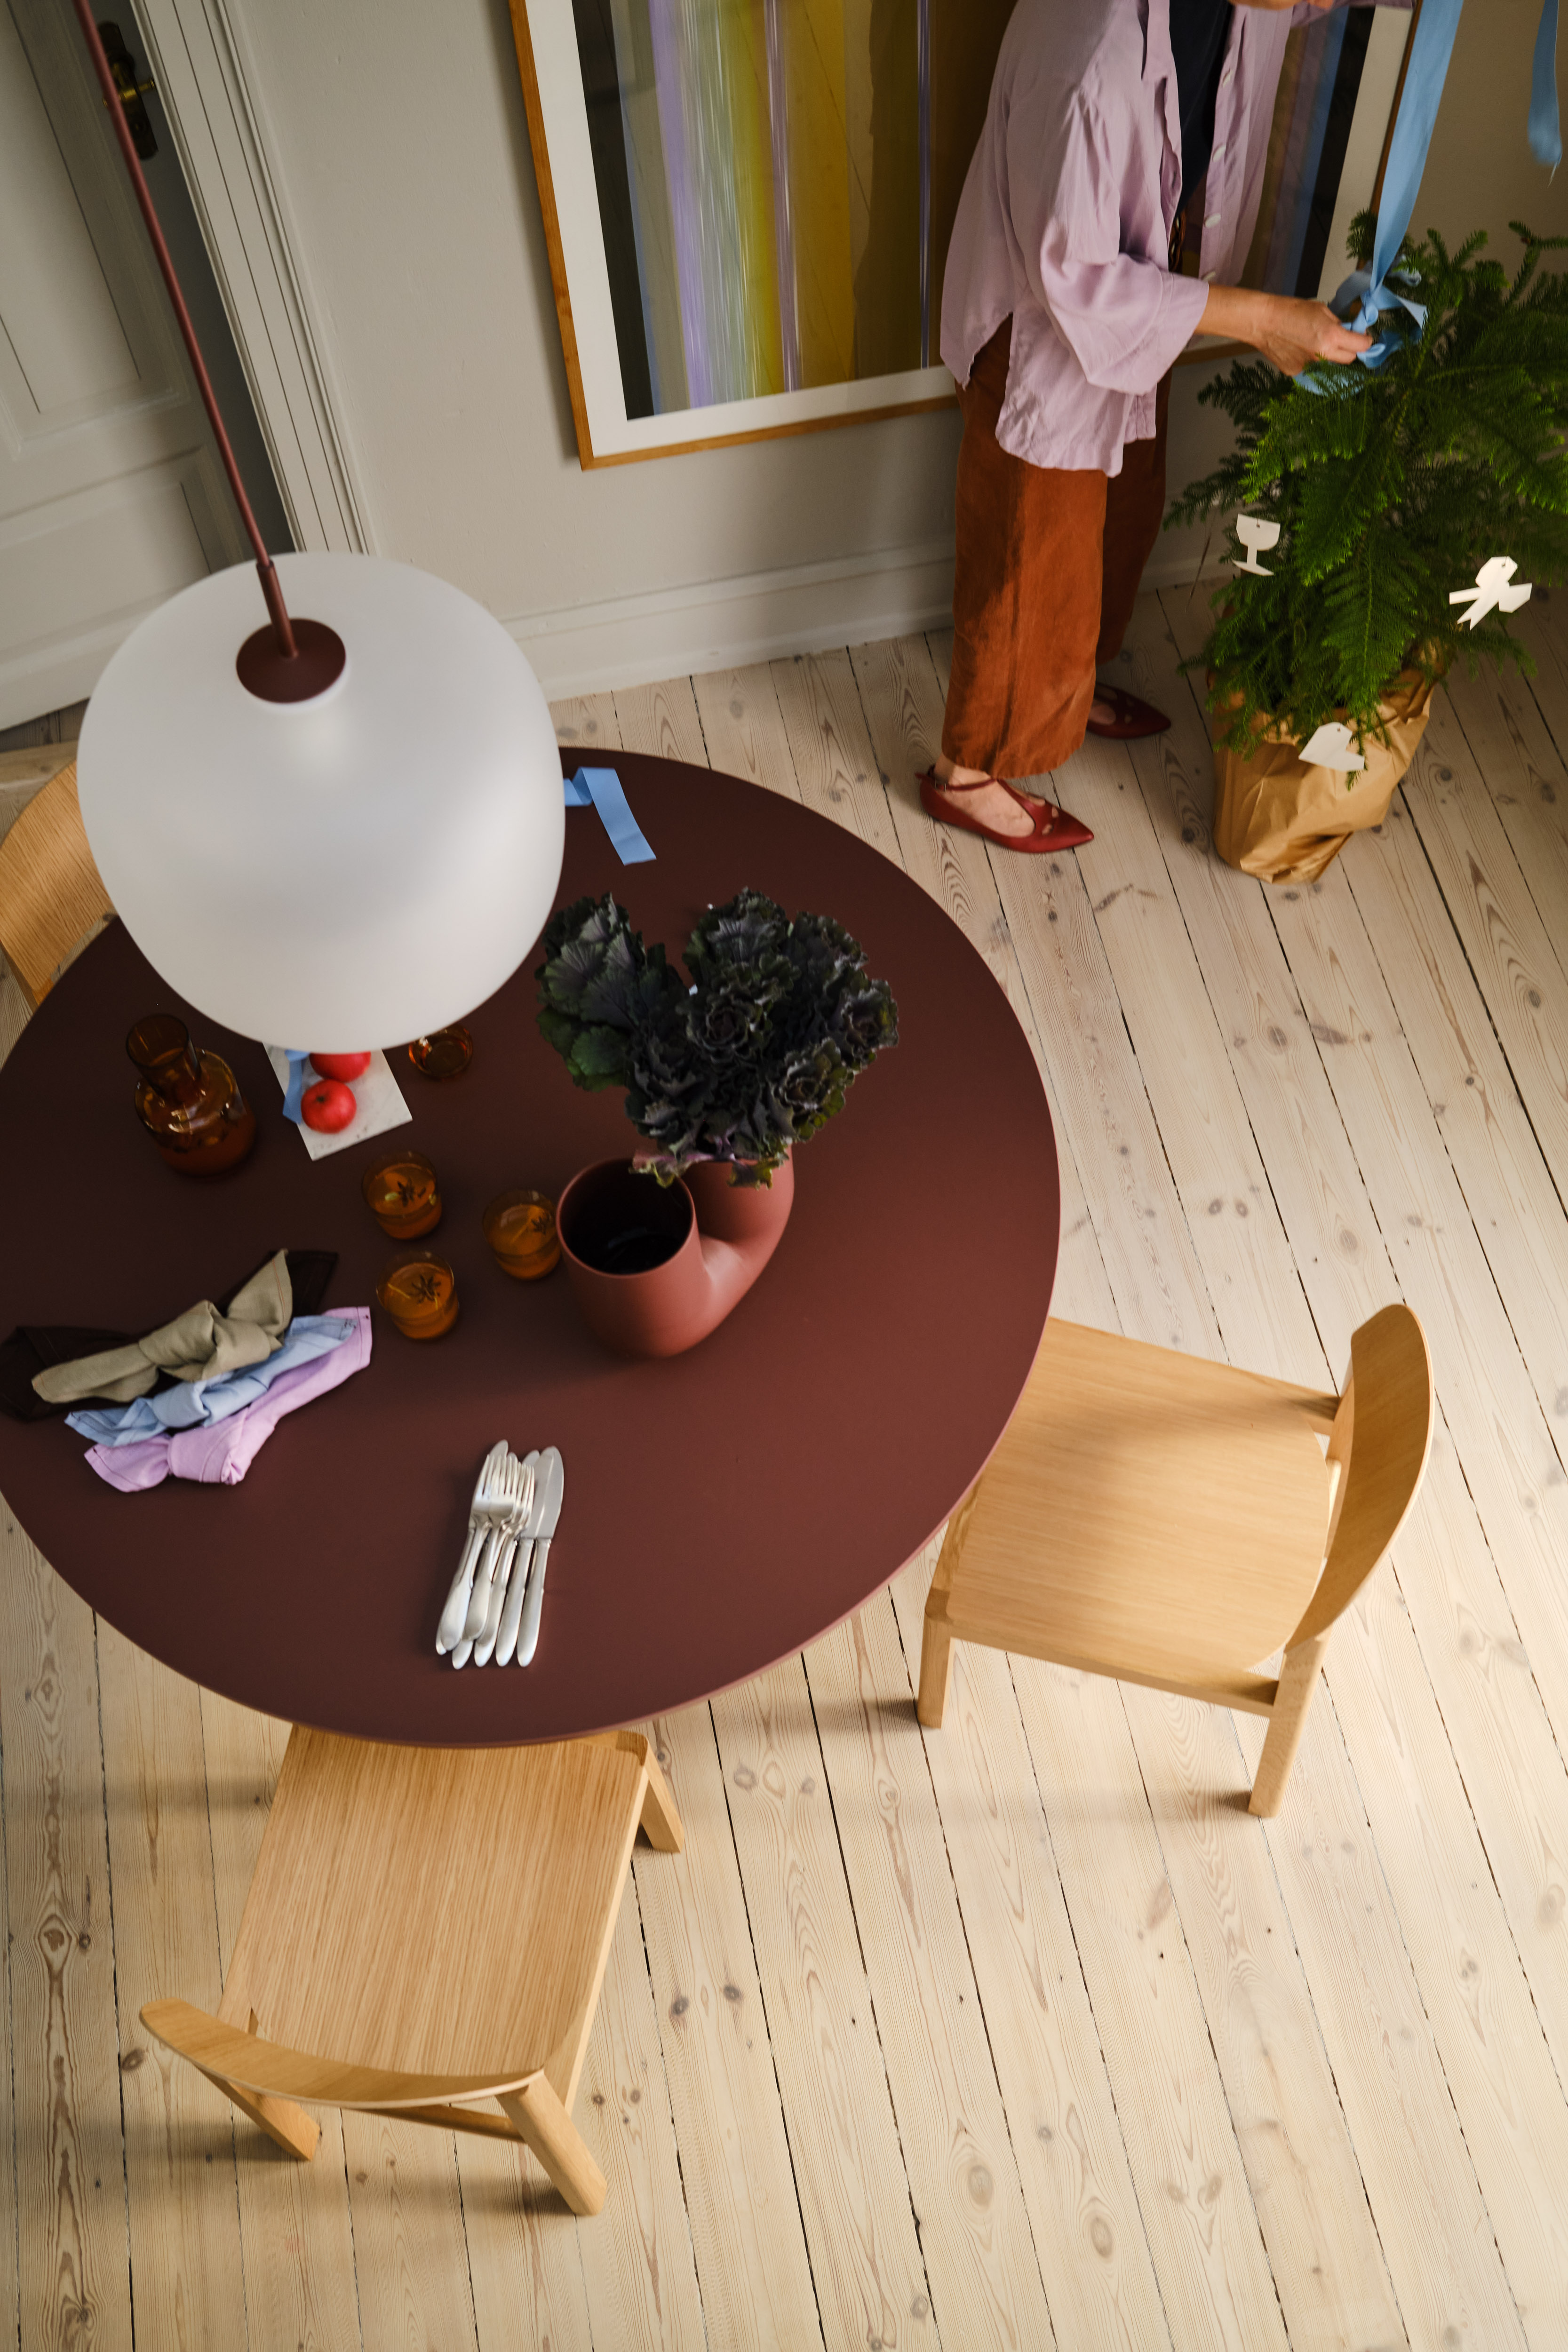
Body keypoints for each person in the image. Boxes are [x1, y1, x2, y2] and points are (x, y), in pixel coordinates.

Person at [922, 0, 1394, 853]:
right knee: (1036, 555)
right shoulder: (1086, 61)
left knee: (1123, 514)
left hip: (1151, 298)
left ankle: (1069, 681)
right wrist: (1262, 321)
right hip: (1046, 328)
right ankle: (971, 771)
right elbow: (1076, 282)